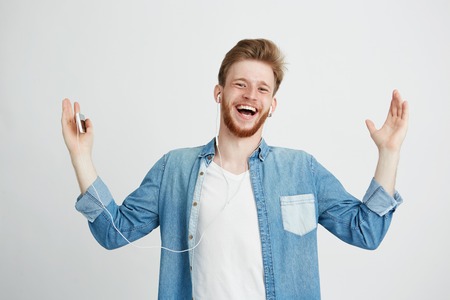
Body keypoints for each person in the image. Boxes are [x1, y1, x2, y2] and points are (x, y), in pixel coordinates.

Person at [61, 39, 409, 300]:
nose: (250, 95)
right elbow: (114, 232)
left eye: (262, 89)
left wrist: (389, 153)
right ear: (220, 92)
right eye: (240, 84)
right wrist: (82, 156)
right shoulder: (175, 169)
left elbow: (367, 232)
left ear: (272, 105)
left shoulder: (301, 169)